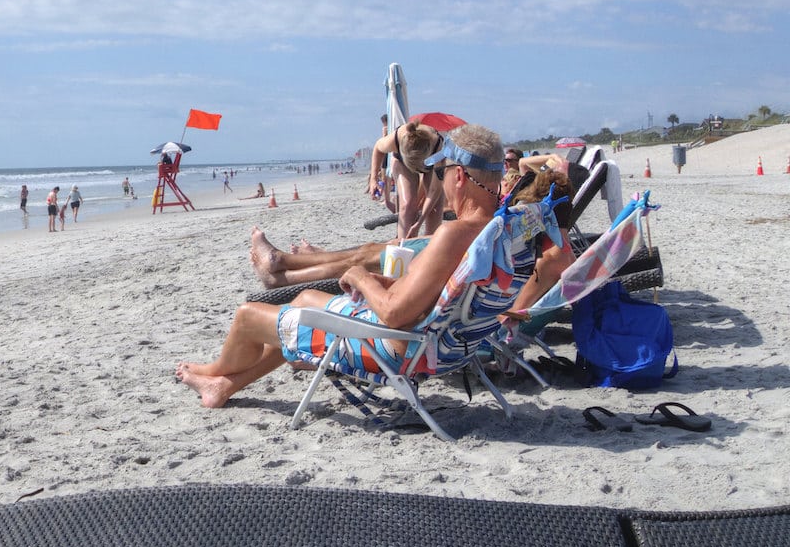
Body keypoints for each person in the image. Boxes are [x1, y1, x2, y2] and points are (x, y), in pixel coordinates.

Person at [177, 126, 510, 408]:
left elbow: (395, 315)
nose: (438, 180)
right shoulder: (498, 230)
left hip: (392, 348)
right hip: (442, 345)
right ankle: (223, 387)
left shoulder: (454, 234)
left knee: (247, 316)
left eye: (441, 172)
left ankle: (215, 371)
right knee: (304, 299)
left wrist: (362, 277)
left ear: (461, 176)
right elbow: (426, 294)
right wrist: (378, 279)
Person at [249, 164, 572, 290]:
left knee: (364, 258)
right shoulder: (537, 238)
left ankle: (283, 272)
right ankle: (289, 264)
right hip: (449, 270)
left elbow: (512, 311)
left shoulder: (548, 253)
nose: (509, 186)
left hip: (437, 283)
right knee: (371, 252)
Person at [365, 120, 445, 240]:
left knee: (436, 208)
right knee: (407, 204)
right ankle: (403, 244)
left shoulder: (438, 146)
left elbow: (434, 190)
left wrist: (419, 223)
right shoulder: (396, 139)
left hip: (430, 165)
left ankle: (430, 244)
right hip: (402, 163)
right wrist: (373, 180)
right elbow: (378, 148)